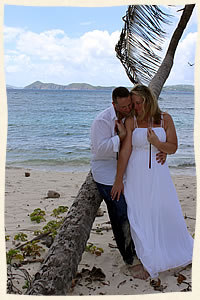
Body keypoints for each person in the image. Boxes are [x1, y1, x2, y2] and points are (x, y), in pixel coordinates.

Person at [111, 84, 194, 280]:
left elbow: (173, 147)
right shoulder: (130, 121)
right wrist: (118, 180)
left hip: (159, 174)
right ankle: (145, 252)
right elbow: (125, 151)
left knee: (164, 209)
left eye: (139, 103)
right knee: (139, 213)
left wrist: (158, 144)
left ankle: (169, 248)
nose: (136, 107)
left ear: (148, 100)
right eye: (134, 103)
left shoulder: (165, 118)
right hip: (135, 174)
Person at [90, 86, 166, 265]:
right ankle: (129, 258)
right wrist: (120, 137)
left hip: (129, 170)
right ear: (113, 104)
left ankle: (142, 247)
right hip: (107, 172)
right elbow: (99, 151)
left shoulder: (132, 117)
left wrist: (163, 150)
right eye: (123, 107)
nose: (127, 109)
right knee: (121, 213)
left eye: (129, 105)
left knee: (138, 210)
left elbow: (145, 138)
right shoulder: (102, 121)